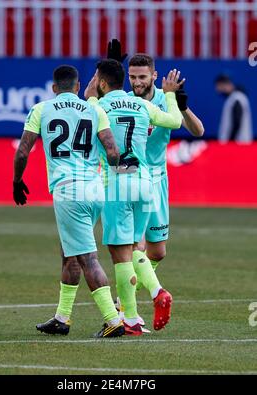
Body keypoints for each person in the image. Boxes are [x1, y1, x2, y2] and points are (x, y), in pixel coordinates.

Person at [13, 65, 125, 338]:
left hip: (68, 190)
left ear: (54, 88)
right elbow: (113, 151)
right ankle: (62, 318)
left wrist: (17, 181)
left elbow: (23, 152)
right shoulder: (94, 109)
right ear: (77, 87)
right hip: (95, 189)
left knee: (87, 257)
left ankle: (113, 319)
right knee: (70, 252)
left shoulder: (42, 109)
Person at [107, 41, 204, 328]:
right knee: (134, 245)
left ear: (153, 75)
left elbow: (198, 131)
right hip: (130, 178)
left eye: (142, 77)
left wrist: (182, 107)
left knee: (157, 251)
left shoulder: (167, 98)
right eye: (132, 77)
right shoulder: (123, 100)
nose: (136, 82)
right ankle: (137, 304)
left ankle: (133, 296)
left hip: (158, 181)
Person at [85, 59, 183, 335]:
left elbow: (89, 104)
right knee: (135, 250)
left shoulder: (99, 106)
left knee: (120, 254)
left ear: (103, 83)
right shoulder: (141, 105)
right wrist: (171, 95)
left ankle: (152, 296)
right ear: (123, 80)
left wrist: (91, 96)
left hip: (117, 183)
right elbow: (175, 121)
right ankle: (134, 317)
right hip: (145, 183)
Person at [215, 74, 253, 143]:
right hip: (237, 144)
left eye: (219, 86)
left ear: (225, 84)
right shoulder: (233, 98)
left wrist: (230, 141)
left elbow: (237, 122)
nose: (217, 89)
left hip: (238, 145)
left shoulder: (237, 98)